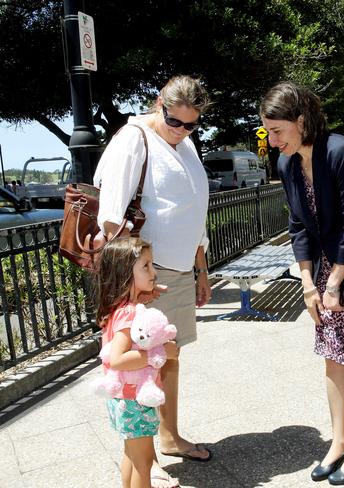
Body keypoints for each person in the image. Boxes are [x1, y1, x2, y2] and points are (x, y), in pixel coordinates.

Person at [260, 82, 344, 485]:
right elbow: (299, 225)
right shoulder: (286, 165)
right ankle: (339, 441)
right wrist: (308, 282)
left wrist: (334, 282)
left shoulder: (340, 151)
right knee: (333, 358)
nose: (272, 141)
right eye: (268, 132)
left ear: (301, 121)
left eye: (278, 130)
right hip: (325, 272)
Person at [94, 75, 213, 488]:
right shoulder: (134, 138)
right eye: (174, 121)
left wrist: (201, 267)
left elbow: (195, 209)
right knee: (139, 367)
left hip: (179, 270)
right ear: (158, 103)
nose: (181, 131)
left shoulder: (187, 143)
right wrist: (135, 286)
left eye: (191, 125)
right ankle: (145, 458)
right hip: (148, 275)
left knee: (170, 358)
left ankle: (168, 437)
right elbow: (111, 218)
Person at [95, 237, 179, 488]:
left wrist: (145, 294)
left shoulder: (119, 308)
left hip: (122, 399)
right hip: (134, 400)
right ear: (124, 273)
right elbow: (118, 359)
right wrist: (163, 352)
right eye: (146, 266)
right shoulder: (129, 313)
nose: (153, 272)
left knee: (131, 457)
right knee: (143, 464)